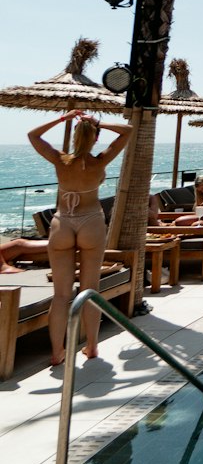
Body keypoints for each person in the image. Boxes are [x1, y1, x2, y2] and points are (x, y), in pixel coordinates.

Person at [27, 110, 132, 365]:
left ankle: (57, 352)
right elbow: (127, 131)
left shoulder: (60, 160)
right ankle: (92, 347)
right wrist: (97, 123)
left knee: (61, 295)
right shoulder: (100, 161)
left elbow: (33, 135)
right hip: (91, 222)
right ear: (95, 138)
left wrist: (63, 119)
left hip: (63, 222)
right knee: (89, 290)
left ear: (74, 135)